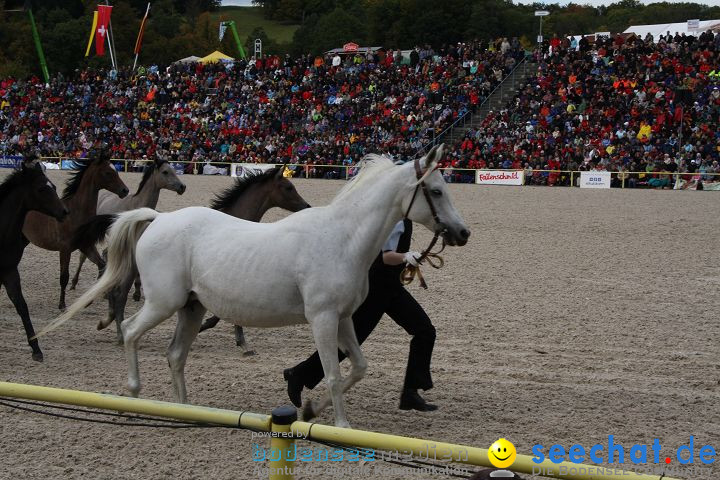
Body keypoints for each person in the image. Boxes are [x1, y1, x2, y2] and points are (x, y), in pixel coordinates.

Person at [283, 218, 438, 412]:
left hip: (391, 288)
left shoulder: (402, 216)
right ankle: (299, 374)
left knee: (425, 331)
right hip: (376, 289)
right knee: (351, 343)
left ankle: (410, 393)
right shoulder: (395, 220)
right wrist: (406, 257)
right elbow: (386, 256)